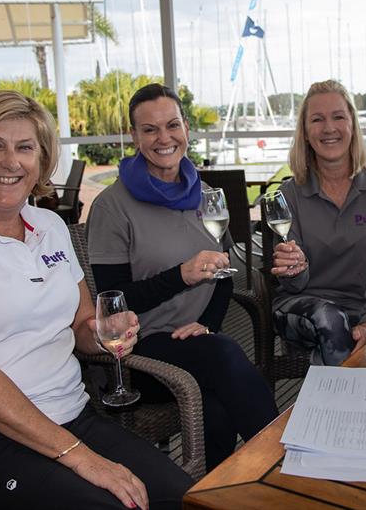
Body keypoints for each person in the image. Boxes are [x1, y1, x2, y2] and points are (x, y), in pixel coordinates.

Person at [0, 90, 192, 510]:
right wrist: (79, 457)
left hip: (67, 413)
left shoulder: (49, 225)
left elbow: (83, 329)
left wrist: (105, 332)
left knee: (184, 497)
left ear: (41, 160)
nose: (11, 162)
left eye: (25, 147)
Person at [87, 83, 279, 472]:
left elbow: (223, 275)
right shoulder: (112, 206)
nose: (164, 138)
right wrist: (181, 276)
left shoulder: (206, 195)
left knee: (215, 397)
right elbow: (114, 301)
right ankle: (288, 466)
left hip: (195, 344)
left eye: (172, 125)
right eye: (150, 129)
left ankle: (217, 493)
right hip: (138, 351)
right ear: (134, 137)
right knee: (223, 357)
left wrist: (205, 326)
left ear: (186, 128)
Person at [270, 80, 366, 366]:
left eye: (338, 117)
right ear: (305, 133)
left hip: (359, 308)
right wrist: (294, 270)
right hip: (299, 307)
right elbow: (293, 285)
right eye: (317, 119)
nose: (329, 128)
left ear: (353, 125)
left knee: (353, 330)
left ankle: (326, 398)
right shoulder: (288, 195)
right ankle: (347, 404)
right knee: (330, 320)